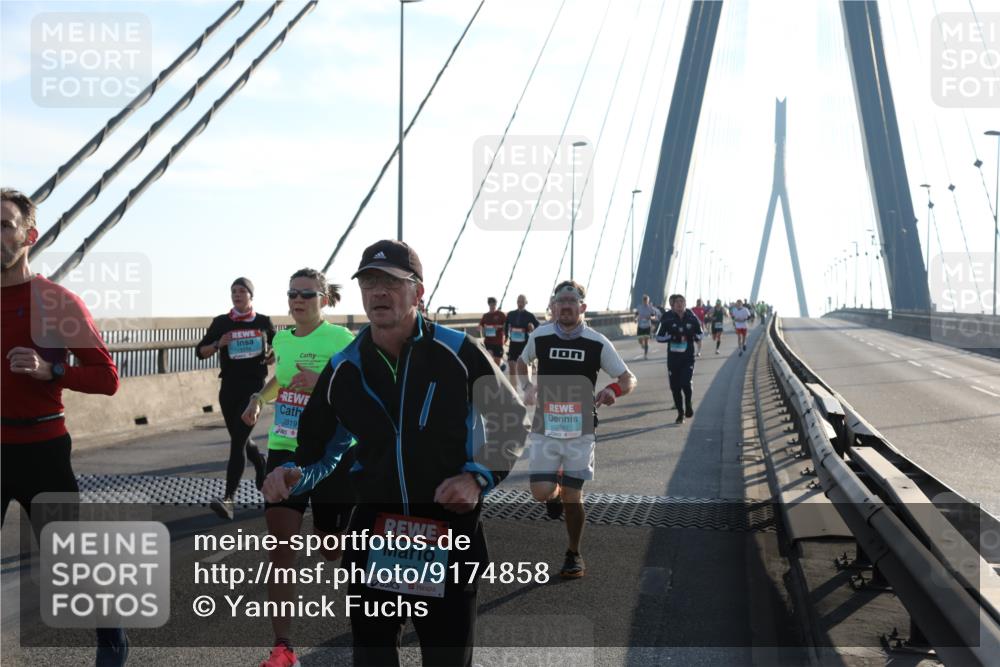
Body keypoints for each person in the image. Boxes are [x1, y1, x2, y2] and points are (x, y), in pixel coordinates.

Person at [262, 240, 529, 667]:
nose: (379, 292)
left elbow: (511, 417)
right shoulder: (344, 367)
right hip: (374, 533)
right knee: (371, 659)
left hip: (447, 529)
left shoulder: (457, 352)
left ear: (418, 292)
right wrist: (294, 473)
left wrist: (478, 477)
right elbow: (317, 451)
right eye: (369, 282)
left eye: (392, 282)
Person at [1, 188, 128, 666]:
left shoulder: (55, 302)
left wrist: (51, 370)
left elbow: (108, 379)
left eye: (3, 226)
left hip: (41, 450)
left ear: (28, 236)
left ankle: (112, 641)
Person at [241, 268, 355, 667]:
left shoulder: (342, 340)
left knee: (329, 546)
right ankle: (282, 646)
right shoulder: (283, 339)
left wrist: (321, 383)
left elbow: (359, 389)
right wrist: (259, 397)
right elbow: (280, 379)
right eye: (292, 294)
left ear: (324, 298)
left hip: (328, 454)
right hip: (285, 446)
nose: (297, 300)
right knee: (280, 547)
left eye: (307, 294)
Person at [516, 280, 636, 579]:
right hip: (546, 427)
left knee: (574, 496)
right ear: (553, 306)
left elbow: (627, 378)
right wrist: (527, 385)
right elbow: (521, 361)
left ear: (582, 307)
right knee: (542, 492)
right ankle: (553, 495)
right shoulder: (540, 336)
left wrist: (613, 390)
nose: (566, 306)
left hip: (580, 431)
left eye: (572, 301)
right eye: (561, 301)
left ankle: (573, 553)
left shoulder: (597, 342)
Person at [197, 277, 274, 519]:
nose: (237, 294)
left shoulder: (263, 322)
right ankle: (260, 462)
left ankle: (229, 499)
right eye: (233, 291)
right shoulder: (222, 322)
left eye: (242, 291)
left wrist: (272, 355)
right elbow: (200, 351)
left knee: (237, 442)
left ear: (251, 295)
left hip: (254, 391)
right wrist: (219, 343)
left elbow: (277, 350)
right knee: (240, 437)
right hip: (228, 388)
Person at [655, 294, 702, 424]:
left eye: (682, 302)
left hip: (688, 357)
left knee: (685, 383)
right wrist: (671, 337)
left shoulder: (692, 318)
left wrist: (694, 336)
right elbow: (658, 337)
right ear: (673, 305)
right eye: (677, 302)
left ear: (685, 304)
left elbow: (701, 334)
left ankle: (688, 404)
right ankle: (680, 413)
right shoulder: (667, 318)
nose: (680, 304)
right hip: (673, 358)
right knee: (675, 387)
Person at [505, 293, 540, 386]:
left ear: (526, 303)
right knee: (511, 367)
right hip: (513, 344)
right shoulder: (511, 314)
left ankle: (527, 388)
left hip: (524, 344)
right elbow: (506, 325)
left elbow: (538, 327)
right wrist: (505, 336)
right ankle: (514, 392)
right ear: (516, 302)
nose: (520, 303)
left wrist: (532, 328)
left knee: (524, 369)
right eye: (519, 301)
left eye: (522, 301)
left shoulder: (529, 315)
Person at [478, 296, 506, 367]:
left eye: (494, 304)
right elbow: (480, 325)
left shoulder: (501, 314)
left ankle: (500, 370)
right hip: (488, 342)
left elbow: (507, 325)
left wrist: (499, 327)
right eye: (491, 304)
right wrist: (480, 328)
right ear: (488, 304)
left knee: (497, 364)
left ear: (496, 304)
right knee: (489, 361)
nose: (493, 306)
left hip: (498, 342)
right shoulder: (485, 315)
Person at [634, 294, 659, 359]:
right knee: (640, 340)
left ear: (648, 300)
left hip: (647, 326)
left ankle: (645, 355)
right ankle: (643, 345)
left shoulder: (650, 308)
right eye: (644, 300)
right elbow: (636, 315)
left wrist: (650, 317)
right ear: (642, 300)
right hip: (640, 326)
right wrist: (635, 319)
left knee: (646, 341)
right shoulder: (639, 307)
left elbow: (654, 316)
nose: (645, 301)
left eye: (646, 300)